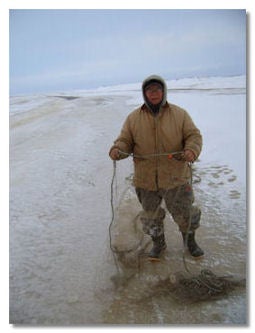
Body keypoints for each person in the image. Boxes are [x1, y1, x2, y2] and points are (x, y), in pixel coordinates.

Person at [109, 75, 204, 260]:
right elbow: (124, 140)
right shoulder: (133, 118)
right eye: (149, 90)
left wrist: (192, 150)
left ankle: (190, 242)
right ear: (144, 93)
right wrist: (118, 150)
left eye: (157, 89)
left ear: (164, 91)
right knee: (151, 216)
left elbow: (194, 136)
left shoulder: (180, 114)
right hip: (145, 180)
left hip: (176, 177)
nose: (154, 93)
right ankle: (158, 245)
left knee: (185, 213)